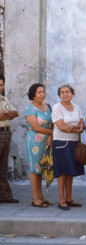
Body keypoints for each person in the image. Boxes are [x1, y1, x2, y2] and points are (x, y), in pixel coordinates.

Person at [52, 85, 85, 211]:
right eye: (62, 92)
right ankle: (61, 200)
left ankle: (69, 198)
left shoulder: (76, 107)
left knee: (70, 171)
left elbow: (83, 124)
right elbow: (61, 127)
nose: (65, 94)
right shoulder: (57, 107)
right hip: (61, 143)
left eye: (68, 92)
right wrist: (76, 128)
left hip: (74, 143)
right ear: (59, 95)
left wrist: (75, 127)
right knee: (62, 172)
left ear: (72, 93)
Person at [24, 83, 53, 208]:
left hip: (47, 141)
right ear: (33, 95)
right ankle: (35, 198)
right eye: (39, 92)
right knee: (35, 169)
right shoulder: (30, 109)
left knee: (41, 168)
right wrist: (52, 133)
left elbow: (52, 124)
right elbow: (35, 127)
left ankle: (41, 196)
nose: (42, 94)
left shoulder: (47, 107)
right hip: (35, 141)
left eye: (43, 92)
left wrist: (51, 136)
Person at [0, 75, 19, 204]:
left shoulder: (4, 99)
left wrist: (5, 115)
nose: (0, 87)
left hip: (6, 133)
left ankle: (4, 195)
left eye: (1, 85)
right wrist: (8, 115)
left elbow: (15, 113)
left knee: (3, 165)